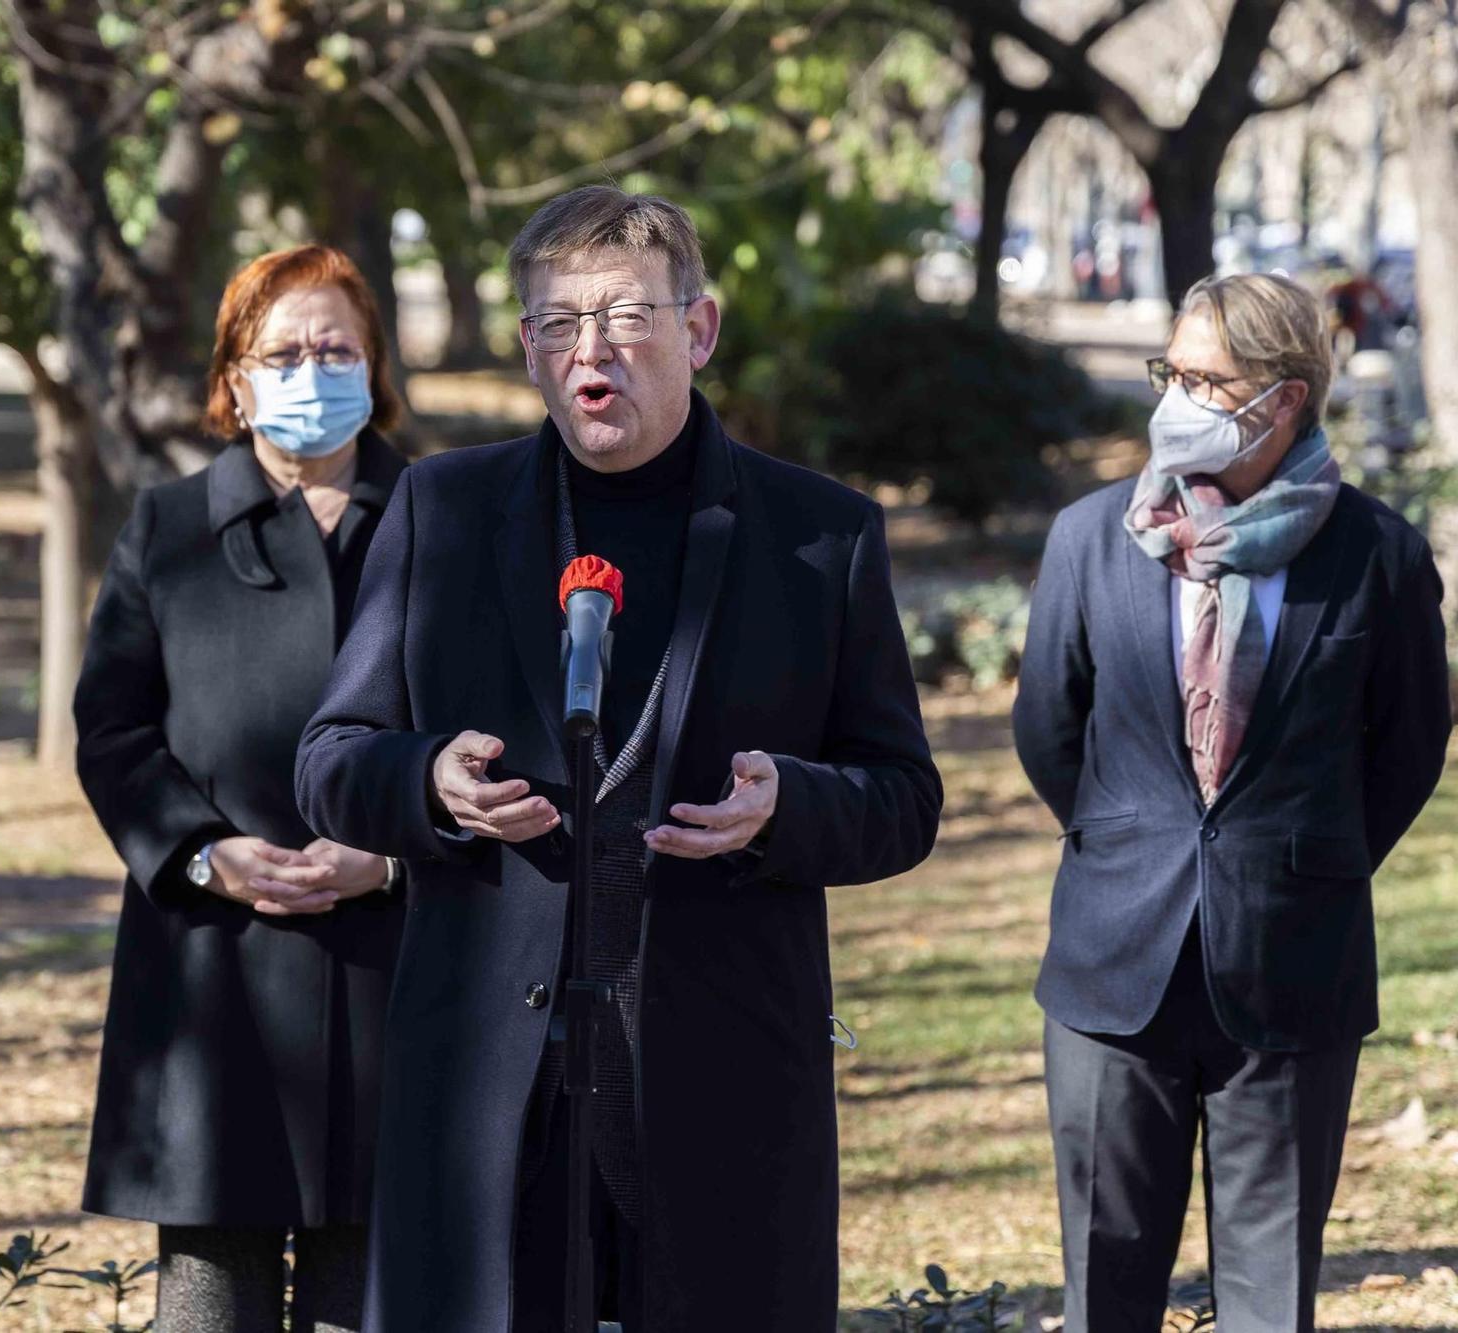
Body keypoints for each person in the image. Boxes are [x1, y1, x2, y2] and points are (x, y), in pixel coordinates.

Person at [294, 186, 942, 1330]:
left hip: (717, 1087)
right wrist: (428, 782)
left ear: (696, 330)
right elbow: (331, 757)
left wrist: (788, 805)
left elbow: (902, 799)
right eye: (554, 324)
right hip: (484, 1097)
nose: (588, 351)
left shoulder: (819, 533)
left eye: (624, 319)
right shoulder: (440, 510)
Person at [1013, 272, 1450, 1333]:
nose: (1175, 398)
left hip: (1291, 965)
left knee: (1265, 1298)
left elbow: (1405, 749)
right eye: (1172, 372)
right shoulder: (1088, 536)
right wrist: (1132, 843)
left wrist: (1297, 858)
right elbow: (1047, 729)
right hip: (1114, 962)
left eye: (1206, 379)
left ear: (1281, 398)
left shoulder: (1375, 554)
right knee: (1103, 1282)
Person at [74, 245, 409, 1333]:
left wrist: (395, 849)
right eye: (284, 351)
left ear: (374, 365)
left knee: (374, 1297)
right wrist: (206, 851)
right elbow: (112, 730)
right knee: (211, 1304)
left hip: (397, 967)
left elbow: (506, 725)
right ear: (233, 378)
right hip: (213, 971)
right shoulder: (166, 529)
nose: (312, 370)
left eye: (336, 348)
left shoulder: (445, 517)